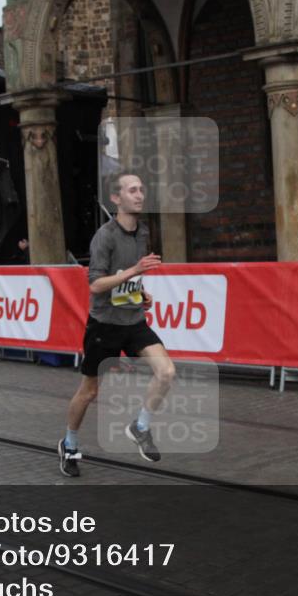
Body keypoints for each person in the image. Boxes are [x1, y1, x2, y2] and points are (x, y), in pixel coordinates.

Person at [59, 172, 175, 477]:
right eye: (132, 190)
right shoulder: (105, 236)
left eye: (141, 190)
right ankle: (69, 444)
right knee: (89, 392)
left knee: (166, 372)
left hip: (133, 319)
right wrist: (134, 271)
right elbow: (96, 285)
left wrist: (141, 293)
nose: (139, 195)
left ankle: (140, 426)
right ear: (116, 198)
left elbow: (128, 279)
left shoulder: (143, 232)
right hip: (104, 325)